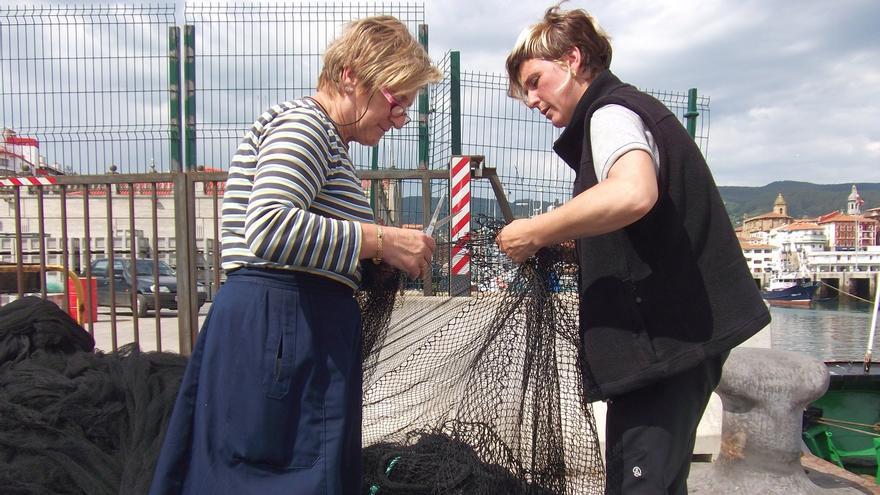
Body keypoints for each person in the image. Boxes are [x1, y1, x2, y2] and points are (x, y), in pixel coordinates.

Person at [149, 16, 441, 495]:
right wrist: (380, 241)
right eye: (396, 103)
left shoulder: (328, 139)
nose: (397, 120)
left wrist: (379, 253)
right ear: (351, 76)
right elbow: (269, 226)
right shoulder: (305, 125)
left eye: (405, 110)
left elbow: (314, 241)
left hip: (294, 330)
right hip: (281, 326)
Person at [496, 4, 770, 494]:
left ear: (573, 59)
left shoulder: (610, 113)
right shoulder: (628, 108)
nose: (531, 100)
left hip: (665, 348)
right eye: (525, 91)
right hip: (678, 343)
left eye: (535, 81)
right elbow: (638, 226)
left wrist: (537, 230)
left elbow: (633, 193)